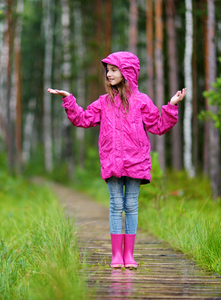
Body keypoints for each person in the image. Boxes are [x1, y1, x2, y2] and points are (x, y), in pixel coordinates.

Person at [47, 51, 186, 268]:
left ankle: (129, 255)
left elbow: (158, 126)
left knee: (131, 205)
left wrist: (171, 105)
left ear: (127, 72)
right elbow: (83, 119)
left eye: (113, 70)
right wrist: (68, 99)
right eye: (107, 71)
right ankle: (116, 256)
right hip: (112, 161)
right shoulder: (104, 102)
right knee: (115, 205)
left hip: (136, 161)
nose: (109, 75)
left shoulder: (141, 101)